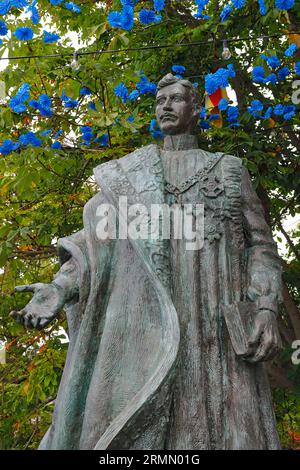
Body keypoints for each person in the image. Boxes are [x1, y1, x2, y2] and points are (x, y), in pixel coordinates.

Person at [11, 74, 283, 450]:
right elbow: (94, 245)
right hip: (148, 328)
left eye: (176, 99)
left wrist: (267, 306)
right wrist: (58, 288)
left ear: (196, 108)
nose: (166, 107)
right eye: (160, 101)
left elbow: (261, 247)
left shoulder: (228, 170)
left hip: (216, 329)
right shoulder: (129, 175)